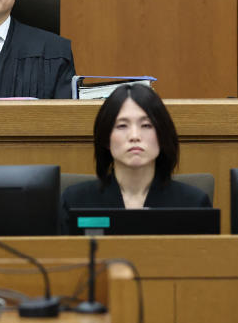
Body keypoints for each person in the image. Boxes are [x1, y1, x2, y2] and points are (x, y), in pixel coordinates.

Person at [60, 84, 211, 233]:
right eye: (122, 126)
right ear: (106, 138)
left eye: (146, 125)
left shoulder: (193, 203)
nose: (134, 136)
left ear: (162, 135)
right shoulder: (75, 201)